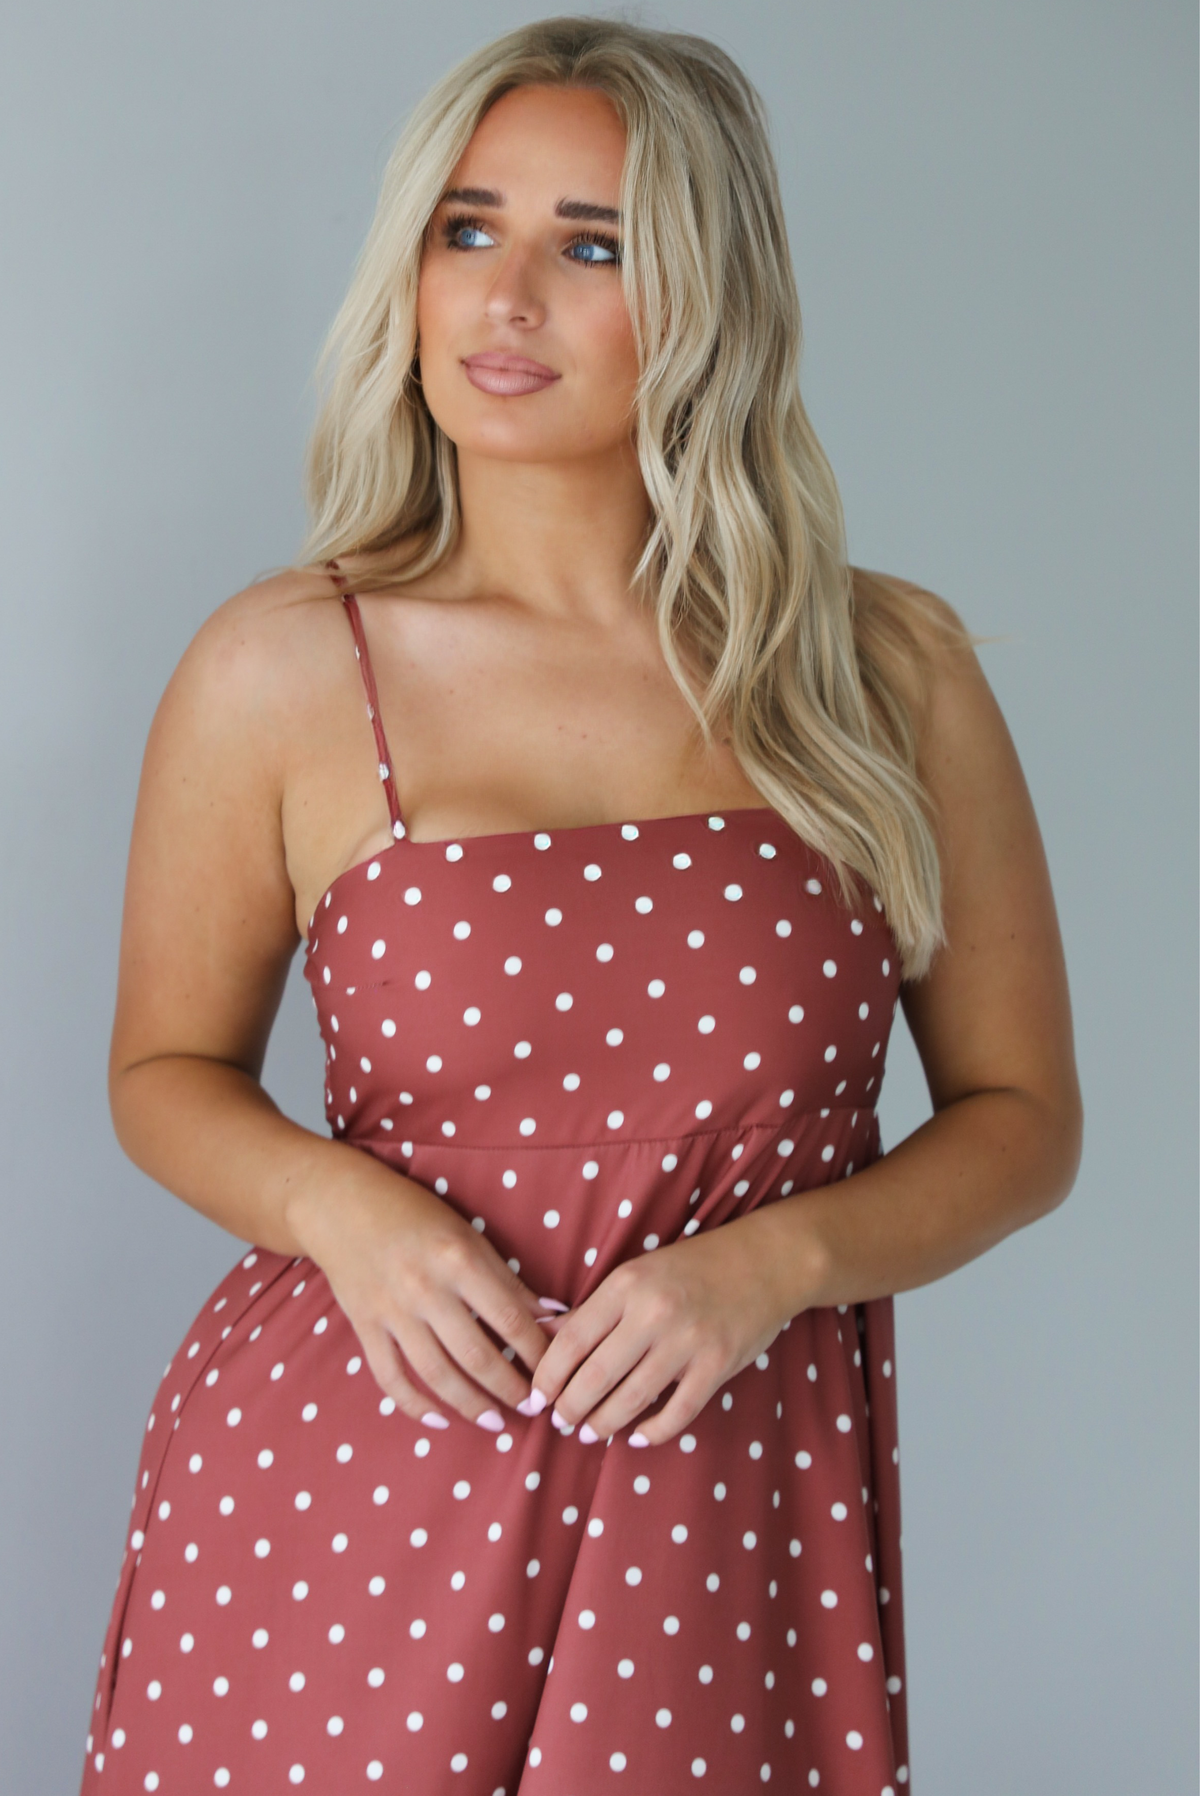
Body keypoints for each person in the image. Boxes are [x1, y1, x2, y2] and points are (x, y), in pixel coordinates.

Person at [80, 17, 1082, 1795]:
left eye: (590, 243)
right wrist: (339, 1211)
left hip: (728, 1506)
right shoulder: (285, 668)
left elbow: (1021, 1122)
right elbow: (163, 1067)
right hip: (348, 1486)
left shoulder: (883, 669)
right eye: (466, 229)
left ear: (710, 299)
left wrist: (779, 1263)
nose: (505, 294)